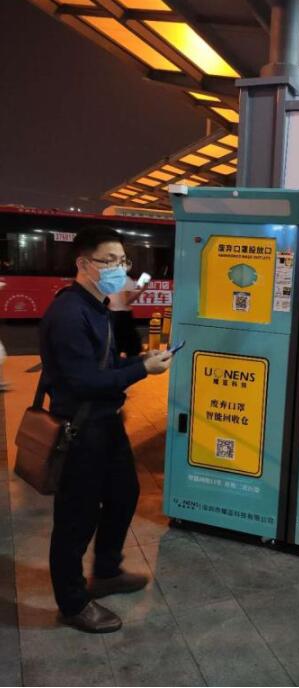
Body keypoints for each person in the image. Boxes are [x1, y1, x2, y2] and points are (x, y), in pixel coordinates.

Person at [39, 226, 172, 633]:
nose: (120, 268)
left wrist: (140, 361)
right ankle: (73, 603)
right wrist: (142, 371)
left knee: (124, 493)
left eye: (123, 261)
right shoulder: (68, 313)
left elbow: (107, 367)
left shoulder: (98, 305)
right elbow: (84, 382)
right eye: (109, 261)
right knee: (76, 518)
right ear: (83, 263)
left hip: (106, 422)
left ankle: (107, 571)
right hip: (81, 428)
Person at [108, 276, 147, 357]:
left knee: (117, 344)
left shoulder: (110, 278)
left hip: (113, 313)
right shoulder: (125, 280)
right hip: (123, 315)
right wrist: (141, 290)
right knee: (131, 345)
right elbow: (126, 301)